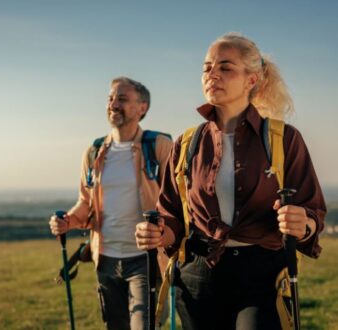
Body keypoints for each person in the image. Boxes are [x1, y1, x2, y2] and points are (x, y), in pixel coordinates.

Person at [135, 33, 326, 330]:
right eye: (207, 67)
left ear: (252, 80)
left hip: (262, 276)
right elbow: (171, 213)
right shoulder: (187, 143)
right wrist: (159, 233)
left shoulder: (284, 139)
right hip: (197, 276)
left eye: (225, 67)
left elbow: (312, 209)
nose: (212, 74)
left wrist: (304, 224)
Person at [49, 76, 172, 330]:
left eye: (122, 99)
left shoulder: (159, 146)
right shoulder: (95, 152)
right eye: (111, 98)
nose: (114, 104)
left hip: (145, 258)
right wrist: (68, 221)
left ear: (142, 107)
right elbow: (85, 202)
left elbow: (175, 200)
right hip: (105, 258)